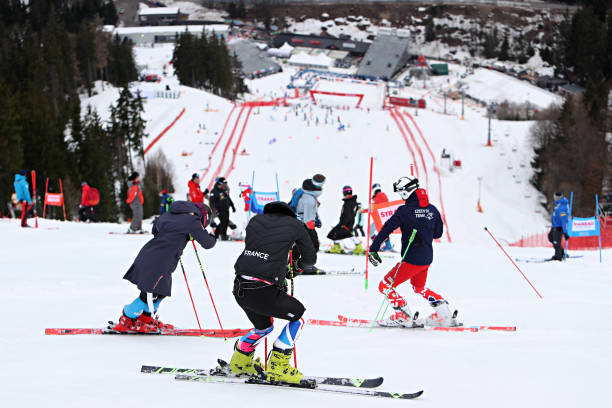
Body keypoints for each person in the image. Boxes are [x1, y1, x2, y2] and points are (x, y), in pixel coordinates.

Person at [228, 201, 316, 383]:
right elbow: (310, 258)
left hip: (240, 287)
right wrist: (297, 267)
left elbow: (264, 249)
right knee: (297, 317)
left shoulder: (255, 220)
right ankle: (278, 366)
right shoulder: (295, 225)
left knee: (264, 327)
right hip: (264, 290)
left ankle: (240, 360)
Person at [113, 201, 216, 332]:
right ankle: (126, 319)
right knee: (148, 294)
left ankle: (145, 319)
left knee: (161, 292)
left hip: (152, 255)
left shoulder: (169, 214)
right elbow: (208, 243)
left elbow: (155, 230)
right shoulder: (192, 220)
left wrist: (179, 234)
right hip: (159, 261)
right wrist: (212, 235)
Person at [368, 176, 457, 327]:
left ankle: (403, 315)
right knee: (419, 287)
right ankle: (444, 313)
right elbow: (438, 234)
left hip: (411, 259)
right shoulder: (432, 209)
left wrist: (373, 249)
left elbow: (386, 229)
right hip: (427, 258)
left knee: (385, 285)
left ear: (405, 193)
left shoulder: (404, 211)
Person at [292, 174, 325, 262]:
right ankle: (303, 265)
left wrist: (316, 218)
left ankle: (293, 263)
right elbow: (307, 220)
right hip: (304, 224)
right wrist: (314, 223)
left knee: (301, 245)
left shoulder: (304, 192)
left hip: (298, 223)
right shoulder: (309, 199)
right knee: (313, 246)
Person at [327, 186, 363, 255]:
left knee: (334, 233)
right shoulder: (352, 202)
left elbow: (347, 215)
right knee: (347, 234)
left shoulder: (348, 203)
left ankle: (337, 248)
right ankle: (358, 247)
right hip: (349, 223)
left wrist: (343, 224)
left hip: (345, 223)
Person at [371, 182, 393, 251]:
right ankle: (387, 245)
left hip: (381, 218)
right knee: (383, 231)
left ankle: (378, 245)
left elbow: (375, 206)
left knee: (371, 231)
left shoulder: (380, 195)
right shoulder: (381, 195)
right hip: (383, 217)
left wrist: (364, 210)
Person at [548, 192, 569, 261]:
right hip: (554, 226)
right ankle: (561, 253)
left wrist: (565, 232)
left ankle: (558, 257)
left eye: (555, 197)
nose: (554, 198)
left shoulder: (562, 206)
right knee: (551, 237)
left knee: (556, 242)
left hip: (559, 227)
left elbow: (564, 220)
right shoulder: (558, 204)